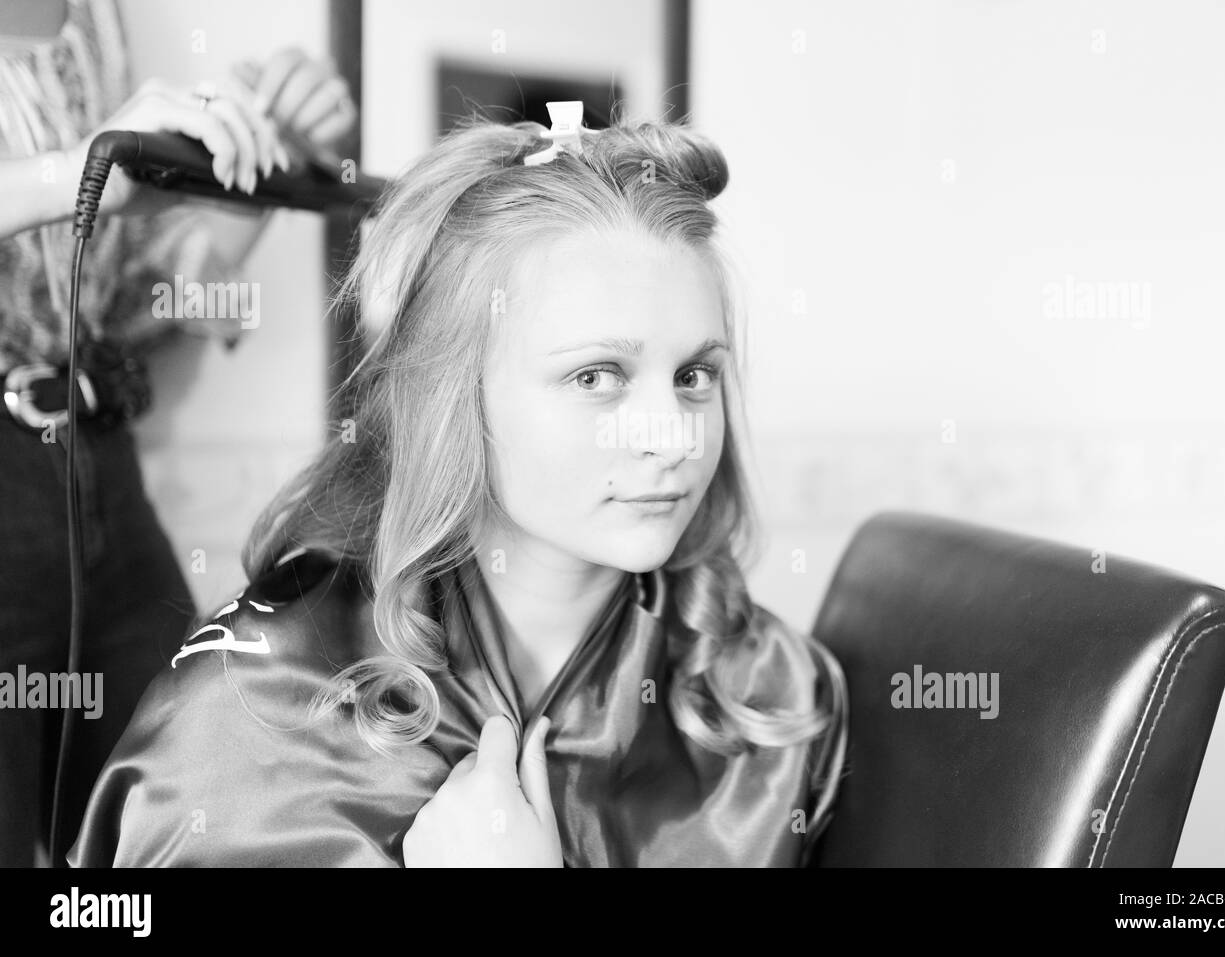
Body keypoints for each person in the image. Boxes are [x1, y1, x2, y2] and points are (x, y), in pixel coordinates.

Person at [67, 111, 850, 867]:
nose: (673, 433)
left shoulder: (769, 705)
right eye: (596, 376)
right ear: (451, 394)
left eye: (694, 376)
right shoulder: (255, 713)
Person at [0, 0, 356, 867]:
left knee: (184, 804)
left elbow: (141, 295)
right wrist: (74, 171)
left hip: (98, 465)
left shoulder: (97, 20)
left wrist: (260, 162)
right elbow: (78, 194)